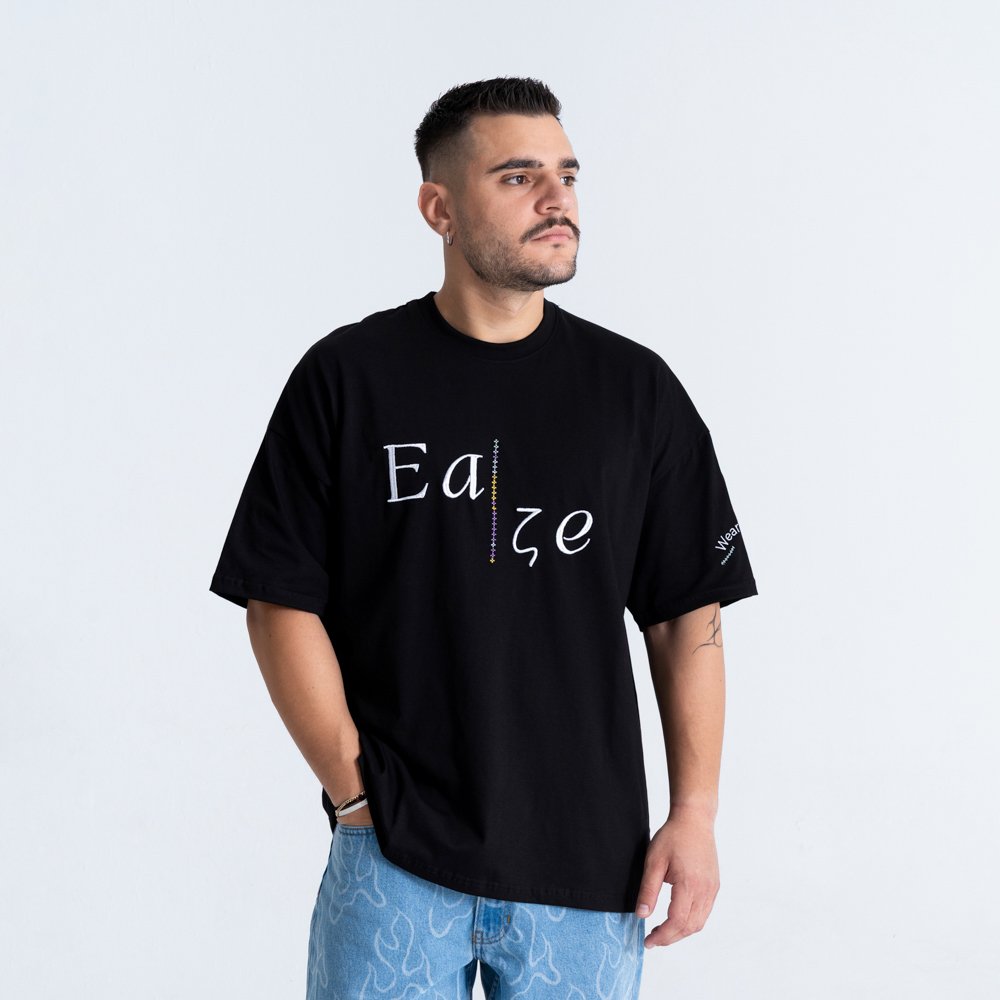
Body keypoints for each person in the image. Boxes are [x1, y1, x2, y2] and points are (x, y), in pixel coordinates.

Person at [209, 76, 758, 999]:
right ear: (440, 209)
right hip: (394, 856)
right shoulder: (348, 377)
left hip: (590, 867)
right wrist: (354, 796)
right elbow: (279, 599)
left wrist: (694, 813)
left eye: (567, 175)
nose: (556, 199)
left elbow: (684, 615)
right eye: (517, 177)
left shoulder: (635, 393)